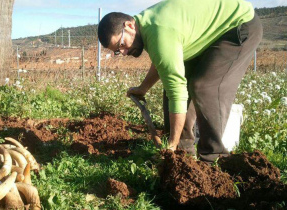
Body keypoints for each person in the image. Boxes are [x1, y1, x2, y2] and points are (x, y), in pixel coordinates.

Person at [97, 0, 262, 163]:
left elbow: (176, 90)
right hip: (208, 33)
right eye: (118, 51)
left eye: (122, 44)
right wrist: (143, 88)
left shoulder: (159, 31)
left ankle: (213, 158)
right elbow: (163, 61)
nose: (124, 52)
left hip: (237, 25)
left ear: (129, 26)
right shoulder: (146, 29)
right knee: (171, 89)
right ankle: (182, 157)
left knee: (204, 87)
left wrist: (171, 145)